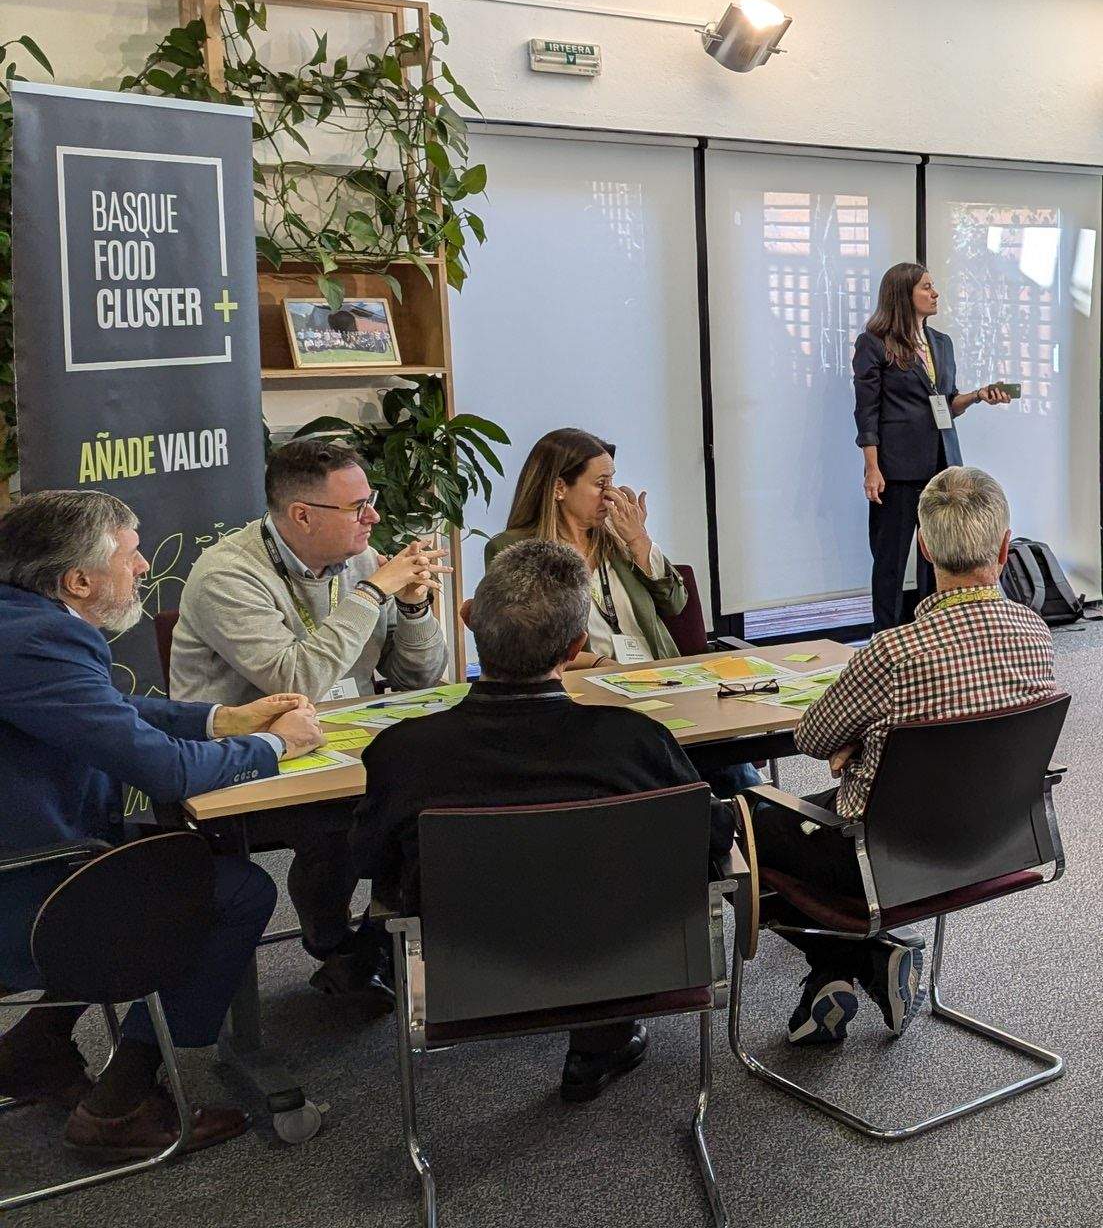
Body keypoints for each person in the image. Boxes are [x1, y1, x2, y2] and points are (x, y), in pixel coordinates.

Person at [0, 490, 322, 1157]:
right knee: (235, 890)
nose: (146, 566)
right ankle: (118, 1107)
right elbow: (169, 774)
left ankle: (36, 1046)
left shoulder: (19, 620)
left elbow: (105, 708)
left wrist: (221, 719)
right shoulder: (39, 640)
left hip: (34, 858)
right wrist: (275, 745)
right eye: (131, 553)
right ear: (78, 580)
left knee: (170, 860)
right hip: (25, 893)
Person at [352, 539, 716, 1103]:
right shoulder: (635, 740)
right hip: (627, 962)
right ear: (576, 646)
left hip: (466, 973)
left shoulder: (402, 753)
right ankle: (601, 1041)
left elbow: (370, 858)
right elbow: (709, 838)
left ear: (470, 622)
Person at [752, 467, 1060, 1044]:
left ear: (923, 546)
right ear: (1004, 548)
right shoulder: (1034, 633)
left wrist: (856, 740)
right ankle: (856, 967)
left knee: (745, 828)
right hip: (997, 839)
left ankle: (860, 960)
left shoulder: (894, 652)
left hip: (886, 852)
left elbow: (812, 736)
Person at [171, 439, 448, 1006]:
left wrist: (414, 607)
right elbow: (298, 679)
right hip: (245, 764)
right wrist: (373, 593)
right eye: (358, 507)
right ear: (302, 515)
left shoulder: (361, 560)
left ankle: (373, 946)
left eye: (370, 502)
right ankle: (335, 945)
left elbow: (420, 677)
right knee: (343, 824)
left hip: (341, 746)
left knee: (434, 802)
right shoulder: (228, 574)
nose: (373, 518)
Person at [853, 262, 1012, 630]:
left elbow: (947, 402)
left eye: (933, 285)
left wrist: (978, 395)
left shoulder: (941, 342)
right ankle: (886, 636)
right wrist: (872, 467)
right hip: (897, 467)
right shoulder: (874, 343)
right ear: (902, 294)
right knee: (891, 560)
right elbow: (867, 412)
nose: (935, 293)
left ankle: (935, 631)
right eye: (926, 287)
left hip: (943, 466)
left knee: (939, 557)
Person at [489, 429, 692, 670]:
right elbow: (525, 643)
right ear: (559, 488)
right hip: (583, 681)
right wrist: (598, 663)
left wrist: (639, 539)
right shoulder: (514, 550)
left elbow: (674, 604)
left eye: (611, 482)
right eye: (601, 484)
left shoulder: (620, 537)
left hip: (655, 675)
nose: (611, 495)